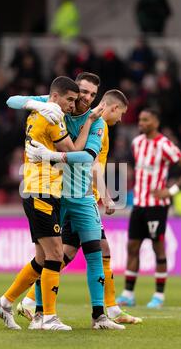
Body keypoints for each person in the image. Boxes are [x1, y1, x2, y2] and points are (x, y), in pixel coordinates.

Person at [20, 89, 142, 326]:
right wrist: (35, 105)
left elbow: (92, 161)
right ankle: (33, 305)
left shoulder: (94, 123)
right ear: (113, 108)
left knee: (84, 252)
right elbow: (12, 100)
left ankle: (104, 312)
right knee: (54, 256)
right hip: (62, 194)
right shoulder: (60, 110)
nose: (87, 97)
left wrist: (104, 194)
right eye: (84, 91)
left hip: (85, 197)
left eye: (92, 93)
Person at [0, 76, 99, 331]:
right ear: (55, 97)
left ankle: (4, 303)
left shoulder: (39, 112)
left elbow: (18, 102)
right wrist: (89, 123)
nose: (73, 105)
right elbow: (73, 152)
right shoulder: (52, 117)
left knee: (42, 258)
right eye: (70, 99)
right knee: (54, 254)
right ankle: (47, 317)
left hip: (39, 190)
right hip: (41, 191)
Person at [116, 108, 181, 309]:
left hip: (157, 207)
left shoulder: (164, 144)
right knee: (132, 247)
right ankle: (128, 294)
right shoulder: (136, 143)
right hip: (139, 204)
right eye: (140, 120)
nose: (141, 123)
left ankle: (159, 296)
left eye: (146, 120)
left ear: (156, 122)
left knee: (157, 248)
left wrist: (171, 190)